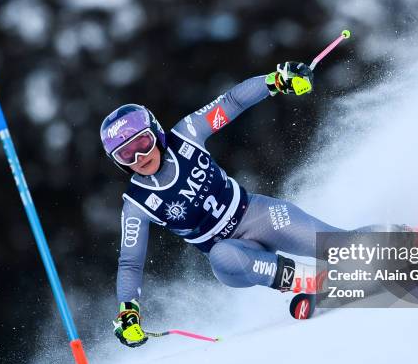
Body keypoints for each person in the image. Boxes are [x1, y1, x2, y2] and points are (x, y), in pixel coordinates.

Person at [102, 62, 379, 347]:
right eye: (126, 155)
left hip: (258, 216)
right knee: (221, 256)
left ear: (156, 133)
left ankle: (409, 244)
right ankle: (310, 282)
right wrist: (128, 311)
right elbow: (130, 261)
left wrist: (277, 81)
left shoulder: (187, 134)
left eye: (143, 143)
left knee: (340, 248)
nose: (140, 158)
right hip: (236, 255)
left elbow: (232, 101)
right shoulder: (137, 203)